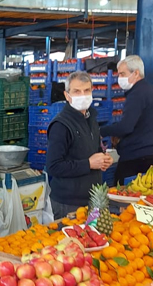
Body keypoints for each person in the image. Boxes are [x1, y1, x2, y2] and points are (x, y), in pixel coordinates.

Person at [46, 71, 113, 219]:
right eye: (77, 91)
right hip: (69, 202)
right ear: (67, 95)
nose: (82, 95)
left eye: (86, 90)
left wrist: (103, 160)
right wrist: (88, 164)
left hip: (92, 199)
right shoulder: (61, 125)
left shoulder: (91, 118)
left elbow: (93, 151)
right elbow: (53, 166)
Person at [100, 56, 153, 184]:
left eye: (122, 74)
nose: (119, 78)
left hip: (137, 157)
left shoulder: (137, 94)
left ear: (136, 73)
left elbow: (126, 127)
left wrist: (101, 131)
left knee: (125, 195)